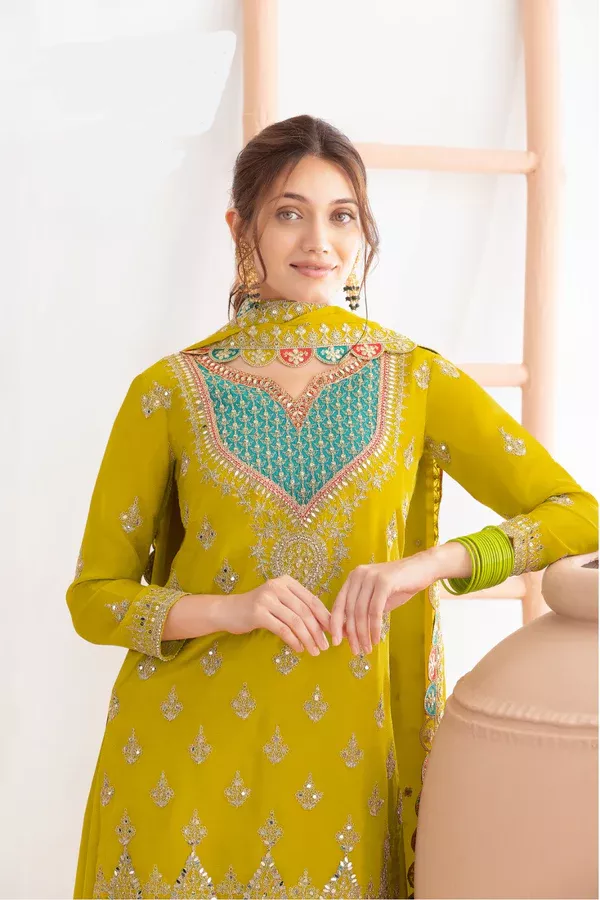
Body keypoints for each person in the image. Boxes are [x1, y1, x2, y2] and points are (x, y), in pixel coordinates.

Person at [67, 114, 598, 900]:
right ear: (240, 228)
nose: (319, 240)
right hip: (184, 767)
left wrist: (427, 566)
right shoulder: (168, 392)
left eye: (342, 215)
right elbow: (94, 598)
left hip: (349, 770)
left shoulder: (414, 378)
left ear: (362, 232)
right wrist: (233, 608)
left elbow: (575, 513)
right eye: (290, 212)